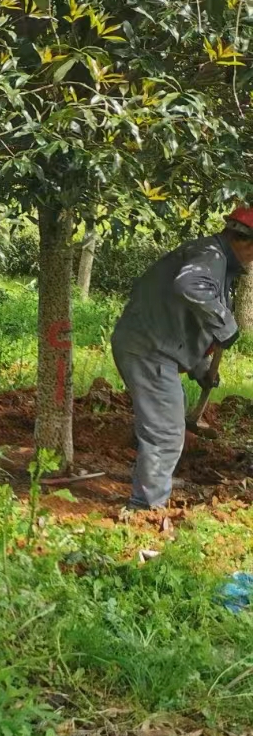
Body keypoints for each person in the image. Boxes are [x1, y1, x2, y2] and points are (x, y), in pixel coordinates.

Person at [111, 209, 253, 511]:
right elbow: (190, 287)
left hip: (151, 344)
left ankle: (150, 491)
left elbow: (182, 321)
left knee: (164, 429)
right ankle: (145, 508)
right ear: (247, 243)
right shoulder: (212, 257)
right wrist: (226, 324)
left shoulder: (214, 259)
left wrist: (200, 368)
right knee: (165, 433)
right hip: (148, 350)